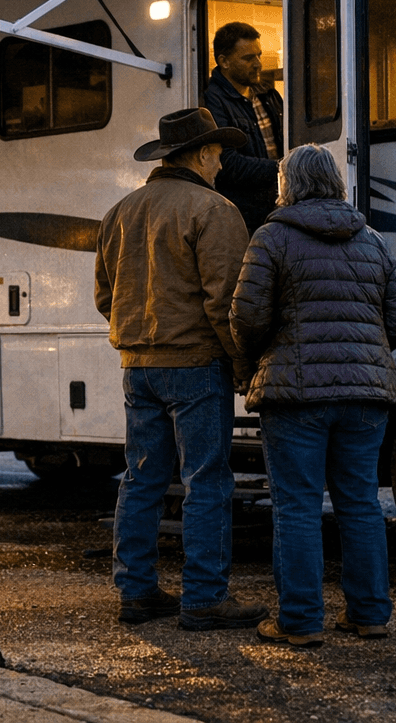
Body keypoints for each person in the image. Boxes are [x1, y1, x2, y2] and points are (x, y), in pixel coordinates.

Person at [95, 107, 269, 632]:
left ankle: (136, 591)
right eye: (218, 155)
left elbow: (107, 297)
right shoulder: (214, 210)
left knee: (141, 480)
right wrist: (243, 366)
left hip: (137, 366)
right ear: (199, 154)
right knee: (207, 481)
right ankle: (204, 597)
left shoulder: (119, 212)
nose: (221, 165)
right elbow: (226, 304)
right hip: (195, 364)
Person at [230, 144, 396, 647]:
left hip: (295, 396)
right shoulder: (372, 240)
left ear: (287, 185)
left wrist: (259, 360)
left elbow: (245, 317)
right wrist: (361, 354)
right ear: (335, 181)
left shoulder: (272, 238)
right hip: (365, 396)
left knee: (298, 507)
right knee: (359, 503)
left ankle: (300, 622)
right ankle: (370, 613)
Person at [204, 21, 285, 233]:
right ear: (224, 61)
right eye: (248, 58)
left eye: (258, 55)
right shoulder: (211, 101)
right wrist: (283, 168)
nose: (258, 63)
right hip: (242, 217)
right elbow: (226, 163)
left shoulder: (268, 95)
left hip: (278, 208)